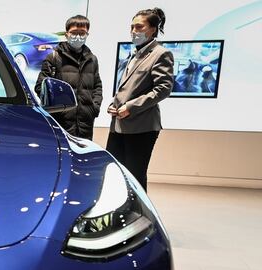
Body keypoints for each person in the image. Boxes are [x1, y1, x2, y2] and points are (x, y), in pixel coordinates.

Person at [106, 7, 173, 191]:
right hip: (119, 123)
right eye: (132, 27)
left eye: (139, 27)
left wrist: (131, 106)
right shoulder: (134, 53)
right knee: (114, 172)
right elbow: (127, 87)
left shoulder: (161, 54)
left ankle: (138, 214)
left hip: (141, 126)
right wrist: (115, 104)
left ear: (153, 29)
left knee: (135, 175)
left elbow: (163, 89)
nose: (134, 31)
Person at [34, 15, 103, 140]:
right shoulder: (54, 57)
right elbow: (40, 87)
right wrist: (57, 109)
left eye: (82, 33)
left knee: (83, 156)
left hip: (85, 122)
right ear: (66, 34)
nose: (78, 36)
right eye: (74, 32)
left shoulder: (92, 59)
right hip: (60, 121)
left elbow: (97, 86)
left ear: (87, 34)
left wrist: (94, 108)